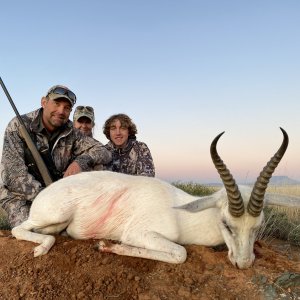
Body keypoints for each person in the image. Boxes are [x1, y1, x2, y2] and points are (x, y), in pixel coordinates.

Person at [0, 85, 111, 228]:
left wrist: (80, 162)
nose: (61, 111)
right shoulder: (17, 126)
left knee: (98, 165)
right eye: (57, 104)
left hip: (56, 195)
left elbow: (103, 151)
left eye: (66, 108)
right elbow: (14, 175)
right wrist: (51, 200)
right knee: (34, 231)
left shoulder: (71, 130)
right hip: (21, 197)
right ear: (44, 102)